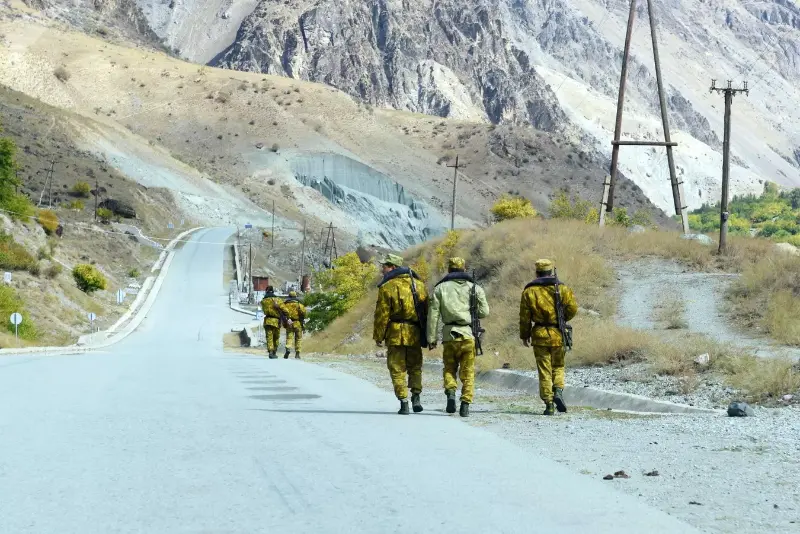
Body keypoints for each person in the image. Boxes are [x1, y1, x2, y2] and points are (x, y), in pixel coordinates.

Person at [427, 257, 489, 417]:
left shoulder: (439, 288)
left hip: (449, 336)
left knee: (449, 368)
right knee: (468, 372)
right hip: (468, 335)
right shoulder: (475, 288)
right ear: (464, 268)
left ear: (449, 269)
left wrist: (431, 338)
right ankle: (465, 404)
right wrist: (471, 311)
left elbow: (433, 316)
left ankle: (451, 393)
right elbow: (484, 312)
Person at [519, 259, 578, 415]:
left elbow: (524, 317)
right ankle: (558, 390)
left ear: (537, 272)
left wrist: (525, 335)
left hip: (539, 336)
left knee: (544, 370)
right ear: (551, 272)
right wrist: (562, 318)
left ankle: (549, 404)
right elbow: (573, 308)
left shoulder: (529, 291)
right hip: (558, 333)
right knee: (558, 366)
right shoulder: (563, 288)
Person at [373, 254, 428, 415]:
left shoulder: (387, 287)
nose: (382, 269)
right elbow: (426, 312)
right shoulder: (419, 285)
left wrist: (379, 336)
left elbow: (382, 314)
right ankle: (416, 396)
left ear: (393, 267)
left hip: (395, 332)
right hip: (415, 333)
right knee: (415, 367)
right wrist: (428, 335)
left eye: (384, 266)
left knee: (396, 368)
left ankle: (403, 401)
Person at [260, 286, 284, 359]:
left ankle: (270, 351)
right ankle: (274, 352)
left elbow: (264, 310)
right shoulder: (278, 300)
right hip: (277, 321)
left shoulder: (263, 301)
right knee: (276, 337)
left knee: (269, 337)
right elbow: (285, 310)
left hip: (267, 321)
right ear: (273, 291)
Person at [282, 290, 306, 359]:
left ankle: (288, 348)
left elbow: (282, 313)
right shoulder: (299, 304)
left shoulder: (285, 304)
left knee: (289, 337)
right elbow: (304, 313)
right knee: (298, 339)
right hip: (298, 323)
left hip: (289, 322)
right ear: (295, 296)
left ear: (289, 296)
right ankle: (297, 354)